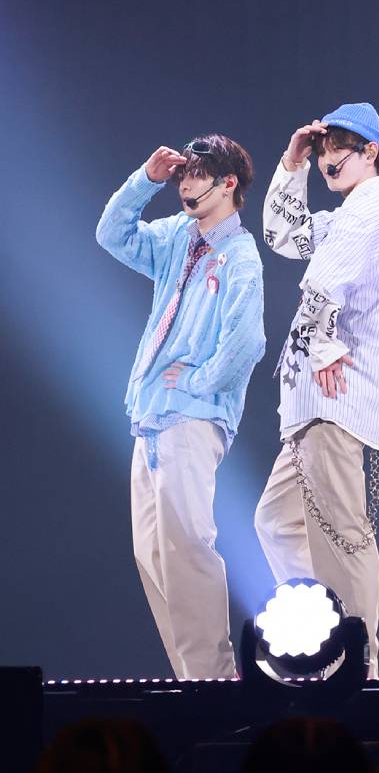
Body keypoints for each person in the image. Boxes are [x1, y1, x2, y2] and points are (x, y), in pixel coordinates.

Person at [96, 136, 264, 679]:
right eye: (181, 176)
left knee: (187, 546)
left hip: (192, 418)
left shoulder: (240, 257)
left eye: (196, 175)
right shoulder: (176, 237)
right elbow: (112, 234)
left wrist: (198, 379)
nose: (185, 185)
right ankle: (193, 681)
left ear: (228, 183)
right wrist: (145, 180)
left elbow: (246, 343)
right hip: (149, 416)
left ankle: (215, 681)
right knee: (154, 556)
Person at [255, 102, 379, 677]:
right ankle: (326, 634)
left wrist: (321, 346)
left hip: (334, 398)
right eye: (322, 150)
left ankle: (356, 666)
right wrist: (291, 164)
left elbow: (322, 279)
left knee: (344, 536)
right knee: (277, 523)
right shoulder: (351, 213)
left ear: (371, 151)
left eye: (337, 148)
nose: (326, 160)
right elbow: (283, 236)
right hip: (316, 403)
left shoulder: (372, 206)